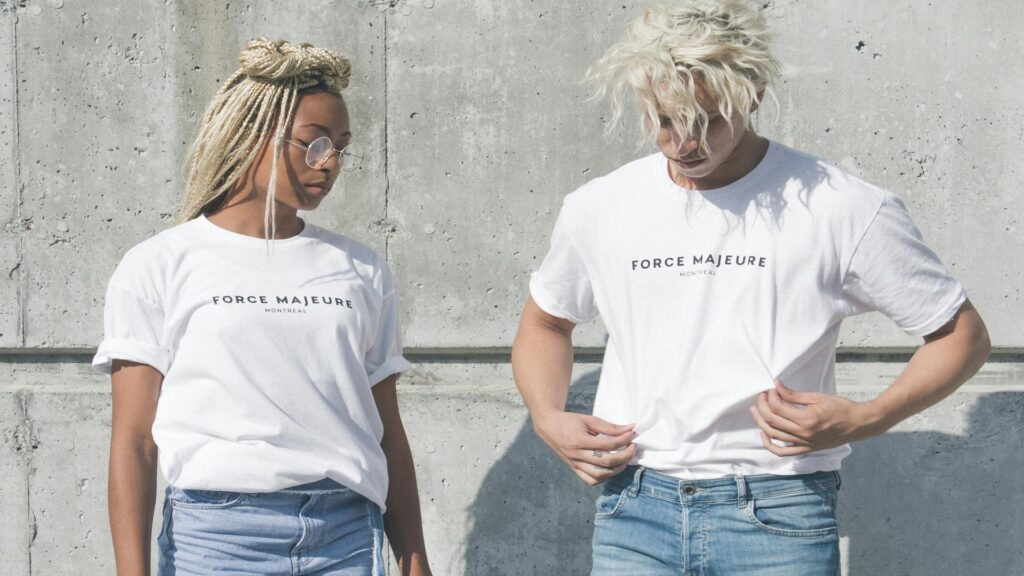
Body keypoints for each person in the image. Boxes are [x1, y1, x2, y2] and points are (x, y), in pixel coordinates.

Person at [511, 2, 991, 575]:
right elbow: (546, 321)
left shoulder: (841, 206)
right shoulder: (599, 207)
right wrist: (547, 415)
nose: (683, 143)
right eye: (665, 121)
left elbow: (961, 334)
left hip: (777, 512)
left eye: (708, 121)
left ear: (753, 94)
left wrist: (869, 417)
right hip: (633, 508)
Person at [94, 38, 432, 576]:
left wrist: (414, 559)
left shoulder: (362, 269)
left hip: (345, 534)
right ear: (253, 137)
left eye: (342, 147)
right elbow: (134, 441)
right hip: (217, 539)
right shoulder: (161, 263)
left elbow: (387, 431)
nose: (332, 163)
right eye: (314, 144)